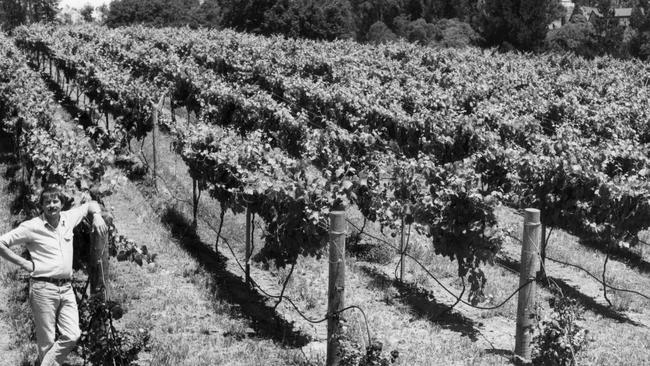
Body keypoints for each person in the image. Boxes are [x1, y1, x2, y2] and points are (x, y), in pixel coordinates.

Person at [0, 185, 108, 366]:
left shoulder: (69, 218)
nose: (52, 205)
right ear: (41, 205)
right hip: (43, 288)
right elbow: (1, 243)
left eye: (55, 201)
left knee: (73, 334)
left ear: (62, 203)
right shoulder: (31, 226)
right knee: (46, 342)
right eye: (47, 202)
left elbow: (91, 204)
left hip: (66, 288)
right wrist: (24, 263)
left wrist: (97, 216)